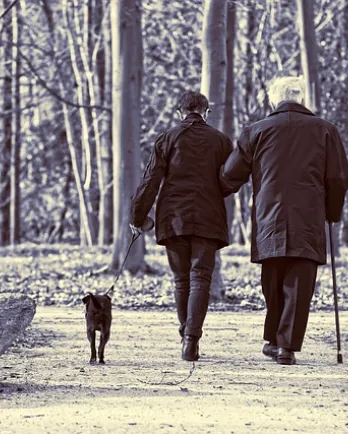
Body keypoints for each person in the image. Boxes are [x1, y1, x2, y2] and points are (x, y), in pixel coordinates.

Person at [220, 76, 348, 365]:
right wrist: (332, 212)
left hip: (270, 216)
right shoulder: (326, 131)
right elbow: (338, 178)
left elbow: (230, 175)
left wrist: (219, 186)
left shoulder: (256, 131)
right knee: (300, 283)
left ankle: (275, 341)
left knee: (273, 279)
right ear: (302, 97)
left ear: (274, 99)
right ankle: (284, 346)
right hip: (308, 216)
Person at [130, 91, 233, 361]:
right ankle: (191, 341)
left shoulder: (167, 138)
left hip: (174, 216)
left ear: (179, 112)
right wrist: (216, 189)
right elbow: (230, 179)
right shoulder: (221, 141)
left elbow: (150, 180)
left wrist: (138, 217)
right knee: (201, 277)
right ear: (206, 112)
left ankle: (184, 334)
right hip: (209, 216)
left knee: (181, 279)